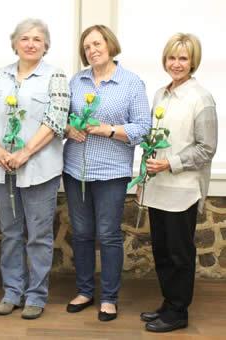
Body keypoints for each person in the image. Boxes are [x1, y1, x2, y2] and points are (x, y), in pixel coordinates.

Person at [0, 18, 70, 320]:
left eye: (37, 39)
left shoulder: (55, 76)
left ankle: (36, 295)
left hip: (39, 168)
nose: (31, 43)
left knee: (39, 236)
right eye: (25, 38)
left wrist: (25, 153)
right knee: (10, 233)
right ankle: (12, 292)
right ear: (15, 43)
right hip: (1, 166)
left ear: (45, 45)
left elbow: (56, 121)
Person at [63, 25, 151, 321]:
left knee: (109, 236)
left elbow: (142, 128)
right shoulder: (77, 81)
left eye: (97, 44)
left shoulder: (131, 83)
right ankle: (85, 291)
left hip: (112, 173)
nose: (92, 50)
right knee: (82, 234)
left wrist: (108, 130)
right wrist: (68, 128)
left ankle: (109, 298)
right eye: (87, 46)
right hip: (76, 170)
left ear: (110, 45)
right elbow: (59, 119)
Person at [139, 33, 217, 333]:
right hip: (158, 188)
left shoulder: (202, 99)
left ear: (193, 61)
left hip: (182, 191)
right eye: (172, 57)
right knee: (161, 250)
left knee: (178, 254)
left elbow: (206, 148)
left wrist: (170, 163)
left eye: (183, 58)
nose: (176, 64)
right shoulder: (160, 94)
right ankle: (169, 303)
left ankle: (178, 313)